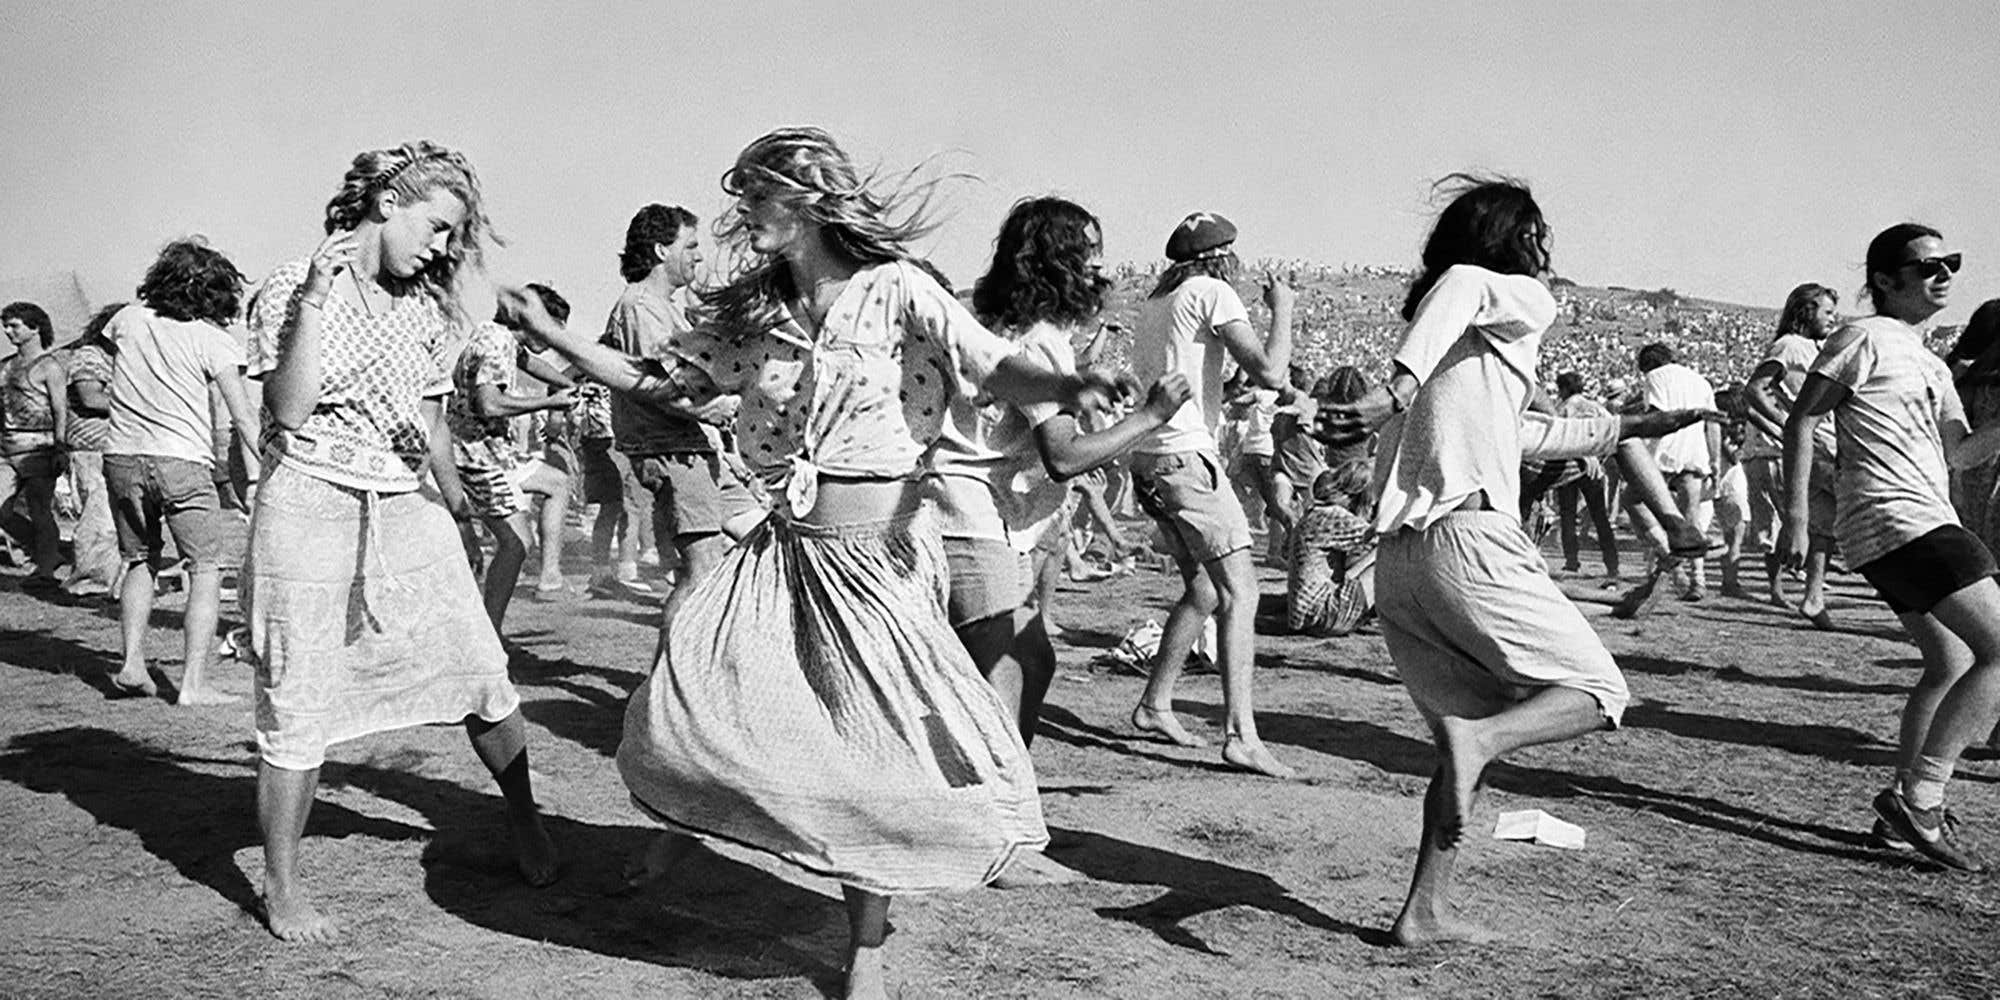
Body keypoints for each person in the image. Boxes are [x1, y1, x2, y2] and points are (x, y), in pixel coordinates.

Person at [513, 127, 1118, 1000]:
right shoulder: (755, 316)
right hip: (782, 554)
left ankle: (864, 947)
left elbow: (994, 369)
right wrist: (557, 340)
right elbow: (660, 382)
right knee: (701, 698)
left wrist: (1067, 388)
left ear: (806, 203)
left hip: (877, 562)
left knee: (875, 756)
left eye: (756, 198)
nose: (742, 216)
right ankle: (694, 822)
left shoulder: (895, 290)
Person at [1319, 176, 1717, 945]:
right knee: (1596, 692)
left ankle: (1424, 912)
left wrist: (1631, 423)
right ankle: (1480, 748)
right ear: (1519, 238)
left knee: (1468, 732)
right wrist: (1390, 392)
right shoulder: (1514, 296)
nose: (1546, 249)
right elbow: (1467, 280)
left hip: (1402, 567)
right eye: (1539, 236)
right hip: (1469, 543)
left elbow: (1523, 437)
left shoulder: (1461, 348)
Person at [244, 140, 556, 943]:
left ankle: (526, 822)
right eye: (438, 225)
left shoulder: (423, 304)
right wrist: (314, 300)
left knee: (480, 667)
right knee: (298, 692)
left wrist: (453, 500)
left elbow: (428, 419)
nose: (444, 246)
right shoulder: (289, 282)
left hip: (402, 496)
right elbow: (285, 409)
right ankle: (282, 886)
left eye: (454, 234)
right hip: (308, 498)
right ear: (387, 203)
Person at [1780, 224, 2000, 873]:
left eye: (1951, 263)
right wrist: (1795, 515)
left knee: (1952, 659)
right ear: (1883, 279)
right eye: (1927, 264)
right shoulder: (1863, 336)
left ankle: (1904, 812)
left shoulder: (1931, 362)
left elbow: (1961, 453)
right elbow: (1803, 417)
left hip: (1908, 521)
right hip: (1899, 516)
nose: (1944, 274)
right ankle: (1923, 800)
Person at [943, 195, 1191, 749]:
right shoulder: (1041, 340)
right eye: (1089, 256)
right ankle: (999, 811)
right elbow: (1064, 457)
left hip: (959, 517)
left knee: (1027, 660)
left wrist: (1078, 376)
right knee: (1013, 674)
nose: (1098, 270)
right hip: (974, 524)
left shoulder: (1002, 325)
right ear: (1059, 264)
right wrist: (1150, 418)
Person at [1125, 210, 1299, 780]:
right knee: (1241, 593)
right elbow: (1273, 371)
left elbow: (1195, 372)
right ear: (1221, 257)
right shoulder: (1213, 292)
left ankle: (1154, 704)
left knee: (1203, 589)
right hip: (1185, 456)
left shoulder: (1156, 304)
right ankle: (1241, 735)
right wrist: (1284, 310)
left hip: (1150, 455)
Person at [100, 240, 260, 704]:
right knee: (205, 569)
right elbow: (244, 418)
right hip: (183, 460)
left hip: (122, 456)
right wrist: (271, 467)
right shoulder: (214, 341)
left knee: (139, 559)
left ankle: (132, 663)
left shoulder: (126, 320)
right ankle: (193, 684)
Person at [601, 204, 744, 622]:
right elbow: (657, 388)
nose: (699, 257)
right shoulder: (642, 306)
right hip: (672, 451)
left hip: (696, 449)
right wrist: (715, 408)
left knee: (762, 537)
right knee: (702, 571)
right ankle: (662, 682)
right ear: (662, 250)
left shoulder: (668, 307)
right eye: (691, 246)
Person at [446, 282, 575, 629]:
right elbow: (487, 403)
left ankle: (550, 576)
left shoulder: (501, 337)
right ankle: (490, 633)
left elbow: (529, 363)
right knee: (515, 543)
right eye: (548, 331)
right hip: (476, 456)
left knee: (558, 483)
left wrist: (564, 384)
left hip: (495, 451)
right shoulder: (495, 343)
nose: (550, 341)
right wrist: (550, 402)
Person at [1745, 283, 1840, 622]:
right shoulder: (1790, 345)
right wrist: (1787, 423)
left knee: (1824, 527)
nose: (1833, 319)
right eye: (1827, 312)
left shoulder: (1813, 347)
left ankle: (1814, 597)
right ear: (1807, 310)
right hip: (1819, 447)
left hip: (1821, 445)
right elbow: (1755, 390)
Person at [1634, 342, 1721, 600]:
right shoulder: (1700, 381)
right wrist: (1715, 459)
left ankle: (1668, 558)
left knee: (1637, 501)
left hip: (1663, 450)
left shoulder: (1654, 377)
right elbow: (1713, 423)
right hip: (1695, 451)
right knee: (1691, 516)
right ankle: (1699, 579)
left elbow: (1657, 415)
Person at [0, 301, 69, 586]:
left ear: (35, 327)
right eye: (5, 326)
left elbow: (60, 409)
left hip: (40, 449)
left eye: (14, 325)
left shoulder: (50, 366)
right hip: (5, 449)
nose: (7, 331)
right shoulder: (4, 366)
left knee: (41, 510)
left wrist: (61, 446)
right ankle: (50, 552)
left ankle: (46, 570)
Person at [59, 303, 125, 597]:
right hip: (91, 449)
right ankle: (90, 581)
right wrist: (139, 403)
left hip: (113, 446)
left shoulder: (116, 357)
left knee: (115, 518)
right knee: (99, 519)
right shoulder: (89, 355)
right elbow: (90, 398)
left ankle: (113, 580)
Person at [1285, 458, 1376, 637]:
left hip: (1304, 615)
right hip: (1322, 615)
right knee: (1391, 558)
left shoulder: (1316, 512)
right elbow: (1382, 537)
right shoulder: (1331, 515)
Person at [1552, 371, 1620, 580]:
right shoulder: (1596, 407)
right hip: (1593, 467)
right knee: (1600, 516)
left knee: (1568, 516)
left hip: (1569, 467)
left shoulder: (1562, 408)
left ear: (1563, 389)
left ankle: (1572, 561)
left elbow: (1556, 438)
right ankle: (1612, 565)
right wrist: (1598, 458)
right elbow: (1614, 431)